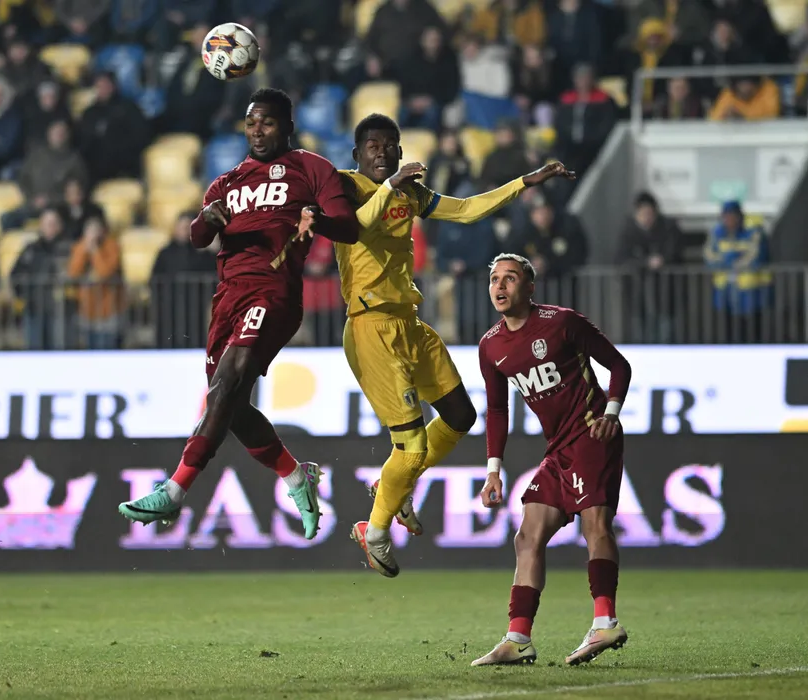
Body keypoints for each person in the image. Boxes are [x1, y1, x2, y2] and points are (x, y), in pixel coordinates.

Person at [334, 114, 574, 577]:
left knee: (461, 416)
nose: (382, 152)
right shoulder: (346, 187)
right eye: (372, 146)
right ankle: (375, 530)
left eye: (390, 145)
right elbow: (355, 228)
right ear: (357, 154)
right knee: (410, 449)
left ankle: (393, 488)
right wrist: (390, 186)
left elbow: (465, 209)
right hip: (369, 327)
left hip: (409, 323)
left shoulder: (410, 193)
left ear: (400, 151)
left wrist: (524, 182)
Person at [118, 88, 359, 538]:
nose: (257, 131)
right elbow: (197, 237)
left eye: (267, 122)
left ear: (287, 126)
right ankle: (297, 477)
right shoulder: (226, 183)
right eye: (251, 123)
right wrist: (206, 220)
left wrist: (318, 221)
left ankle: (175, 490)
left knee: (227, 384)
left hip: (273, 292)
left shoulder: (311, 168)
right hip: (227, 300)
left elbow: (349, 226)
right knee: (228, 403)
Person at [472, 253, 631, 668]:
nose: (500, 286)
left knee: (595, 523)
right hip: (558, 447)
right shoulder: (490, 346)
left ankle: (605, 622)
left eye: (510, 278)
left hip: (593, 432)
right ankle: (518, 639)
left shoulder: (562, 323)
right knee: (527, 535)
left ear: (530, 287)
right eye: (494, 279)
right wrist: (493, 471)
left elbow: (618, 365)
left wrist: (612, 413)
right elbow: (497, 410)